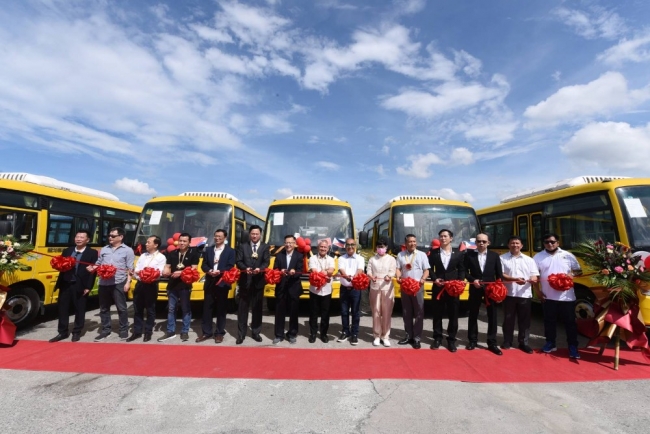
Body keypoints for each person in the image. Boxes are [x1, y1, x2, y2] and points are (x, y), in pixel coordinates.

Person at [534, 233, 582, 359]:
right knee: (549, 322)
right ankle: (550, 343)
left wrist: (572, 275)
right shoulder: (538, 257)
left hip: (567, 297)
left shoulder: (568, 255)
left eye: (552, 242)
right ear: (543, 244)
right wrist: (538, 292)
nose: (550, 244)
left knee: (570, 323)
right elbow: (535, 277)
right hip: (548, 297)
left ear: (558, 243)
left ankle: (573, 346)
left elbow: (579, 271)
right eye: (546, 242)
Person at [49, 230, 98, 343]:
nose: (78, 239)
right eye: (77, 237)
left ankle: (76, 332)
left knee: (79, 309)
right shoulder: (67, 250)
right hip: (65, 283)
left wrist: (88, 287)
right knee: (63, 308)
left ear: (87, 240)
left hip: (80, 285)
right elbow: (60, 265)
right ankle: (62, 332)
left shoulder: (92, 253)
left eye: (82, 237)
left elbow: (93, 272)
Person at [89, 227, 135, 342]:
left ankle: (123, 329)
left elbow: (130, 268)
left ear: (121, 237)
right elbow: (98, 263)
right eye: (109, 236)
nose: (110, 238)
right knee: (104, 308)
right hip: (104, 282)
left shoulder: (128, 250)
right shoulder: (104, 249)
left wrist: (128, 282)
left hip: (118, 282)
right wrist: (92, 268)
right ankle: (106, 330)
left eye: (113, 236)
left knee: (121, 307)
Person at [463, 233, 504, 355]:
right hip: (475, 288)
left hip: (491, 289)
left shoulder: (494, 256)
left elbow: (499, 275)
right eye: (479, 241)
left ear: (488, 243)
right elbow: (464, 271)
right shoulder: (469, 255)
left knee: (492, 316)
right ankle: (472, 341)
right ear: (475, 242)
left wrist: (499, 290)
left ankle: (492, 342)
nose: (481, 243)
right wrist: (472, 280)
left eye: (484, 241)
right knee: (473, 314)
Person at [500, 236, 539, 354]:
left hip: (525, 294)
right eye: (512, 243)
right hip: (509, 294)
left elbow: (534, 275)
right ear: (508, 245)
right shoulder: (502, 258)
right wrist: (514, 279)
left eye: (517, 243)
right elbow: (501, 274)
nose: (515, 245)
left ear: (521, 245)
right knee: (508, 319)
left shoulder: (529, 260)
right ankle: (507, 341)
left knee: (525, 320)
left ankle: (524, 343)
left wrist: (533, 279)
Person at [158, 233, 200, 342]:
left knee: (186, 309)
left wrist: (181, 273)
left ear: (189, 242)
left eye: (184, 241)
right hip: (172, 285)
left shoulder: (194, 254)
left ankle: (185, 331)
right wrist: (165, 271)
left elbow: (194, 269)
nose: (182, 243)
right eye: (180, 241)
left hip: (185, 285)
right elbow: (167, 266)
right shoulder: (172, 253)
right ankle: (170, 331)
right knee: (171, 308)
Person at [196, 229, 236, 344]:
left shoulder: (230, 251)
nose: (217, 238)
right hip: (210, 282)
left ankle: (219, 333)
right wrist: (209, 271)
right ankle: (206, 332)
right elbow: (203, 265)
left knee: (221, 309)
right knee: (207, 308)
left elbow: (230, 266)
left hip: (222, 282)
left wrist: (219, 271)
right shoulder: (208, 250)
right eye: (216, 236)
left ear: (225, 238)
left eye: (220, 236)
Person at [429, 229, 465, 352]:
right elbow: (429, 268)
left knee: (453, 314)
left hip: (453, 288)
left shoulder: (458, 253)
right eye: (441, 236)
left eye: (445, 236)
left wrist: (459, 282)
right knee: (437, 314)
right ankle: (437, 338)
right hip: (438, 287)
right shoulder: (433, 253)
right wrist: (435, 279)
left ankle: (451, 340)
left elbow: (461, 270)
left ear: (451, 238)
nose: (443, 238)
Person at [126, 235, 166, 342]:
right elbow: (137, 269)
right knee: (137, 309)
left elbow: (159, 272)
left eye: (149, 242)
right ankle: (137, 331)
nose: (146, 244)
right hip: (140, 284)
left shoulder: (161, 257)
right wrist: (137, 273)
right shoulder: (143, 255)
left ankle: (148, 332)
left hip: (151, 285)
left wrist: (146, 273)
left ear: (156, 245)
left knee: (150, 309)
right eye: (147, 242)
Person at [235, 225, 270, 344]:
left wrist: (260, 269)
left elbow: (266, 261)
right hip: (245, 281)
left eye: (257, 234)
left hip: (258, 282)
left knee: (257, 308)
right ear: (249, 234)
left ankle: (256, 332)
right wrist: (246, 268)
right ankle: (241, 334)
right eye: (252, 234)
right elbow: (238, 261)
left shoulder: (265, 247)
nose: (254, 236)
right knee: (242, 309)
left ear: (260, 235)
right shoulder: (243, 246)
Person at [395, 234, 430, 349]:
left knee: (419, 312)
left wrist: (423, 279)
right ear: (405, 243)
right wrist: (398, 276)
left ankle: (417, 338)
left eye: (414, 241)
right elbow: (398, 269)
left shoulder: (422, 255)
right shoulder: (400, 255)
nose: (412, 243)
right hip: (405, 287)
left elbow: (426, 270)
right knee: (406, 312)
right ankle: (408, 335)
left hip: (417, 287)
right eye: (410, 241)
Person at [272, 235, 304, 344]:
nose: (288, 245)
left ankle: (292, 334)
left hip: (293, 287)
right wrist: (279, 271)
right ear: (284, 243)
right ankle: (278, 335)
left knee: (293, 312)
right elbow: (275, 269)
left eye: (291, 243)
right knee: (279, 312)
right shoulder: (279, 255)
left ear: (295, 244)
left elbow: (300, 270)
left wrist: (294, 272)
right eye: (286, 242)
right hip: (281, 287)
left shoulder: (299, 256)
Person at [366, 236, 396, 347]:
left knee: (387, 312)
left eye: (382, 247)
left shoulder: (391, 259)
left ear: (386, 247)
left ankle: (385, 336)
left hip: (387, 288)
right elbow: (368, 270)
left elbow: (392, 270)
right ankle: (377, 336)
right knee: (376, 312)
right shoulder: (372, 259)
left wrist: (389, 276)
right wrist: (371, 276)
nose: (380, 249)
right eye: (379, 247)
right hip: (375, 287)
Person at [337, 237, 365, 345]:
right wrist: (346, 276)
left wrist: (353, 278)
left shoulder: (360, 258)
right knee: (344, 312)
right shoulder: (341, 258)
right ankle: (345, 331)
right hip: (344, 288)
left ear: (355, 246)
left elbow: (360, 270)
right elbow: (341, 270)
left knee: (355, 312)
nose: (350, 247)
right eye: (348, 245)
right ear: (345, 246)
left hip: (355, 289)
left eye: (352, 244)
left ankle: (354, 334)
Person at [308, 239, 335, 343]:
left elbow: (331, 271)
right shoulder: (312, 258)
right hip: (314, 290)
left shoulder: (331, 259)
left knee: (325, 314)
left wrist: (326, 272)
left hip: (327, 291)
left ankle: (323, 334)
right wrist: (325, 272)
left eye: (325, 247)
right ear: (318, 248)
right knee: (313, 313)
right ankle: (313, 333)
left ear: (328, 249)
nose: (323, 249)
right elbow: (314, 271)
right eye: (321, 247)